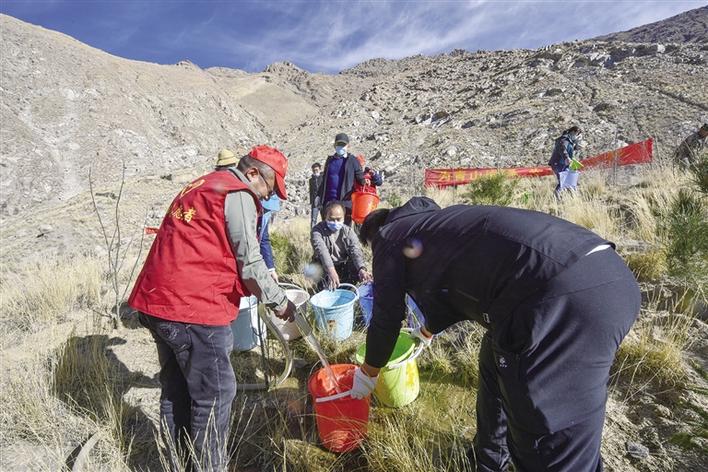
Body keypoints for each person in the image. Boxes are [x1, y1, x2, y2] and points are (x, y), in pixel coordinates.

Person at [353, 197, 640, 472]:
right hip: (608, 272)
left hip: (562, 303)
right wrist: (428, 330)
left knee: (546, 444)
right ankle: (487, 461)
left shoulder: (388, 238)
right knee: (494, 361)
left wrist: (369, 372)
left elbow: (387, 316)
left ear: (374, 235)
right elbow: (451, 287)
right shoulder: (436, 224)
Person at [129, 146, 296, 471]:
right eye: (269, 188)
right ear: (252, 174)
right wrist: (280, 301)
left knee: (177, 388)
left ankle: (180, 462)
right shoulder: (238, 193)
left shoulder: (204, 184)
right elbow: (250, 262)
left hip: (158, 301)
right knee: (216, 393)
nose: (267, 197)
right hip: (193, 309)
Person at [311, 201, 372, 290]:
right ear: (325, 217)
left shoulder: (348, 231)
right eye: (331, 219)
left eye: (338, 219)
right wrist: (331, 271)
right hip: (324, 265)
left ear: (344, 217)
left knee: (351, 280)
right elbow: (322, 252)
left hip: (343, 264)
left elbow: (355, 250)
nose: (335, 222)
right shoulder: (317, 231)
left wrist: (361, 269)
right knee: (324, 287)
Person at [317, 133, 366, 226]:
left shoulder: (352, 160)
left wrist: (364, 181)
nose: (341, 147)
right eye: (339, 144)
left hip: (345, 203)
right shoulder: (329, 160)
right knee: (327, 229)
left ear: (348, 146)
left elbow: (359, 176)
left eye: (343, 144)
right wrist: (319, 195)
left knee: (344, 230)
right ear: (334, 146)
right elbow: (324, 180)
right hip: (328, 202)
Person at [548, 126, 582, 197]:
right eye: (577, 134)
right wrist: (566, 157)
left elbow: (569, 150)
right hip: (558, 163)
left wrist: (576, 147)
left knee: (568, 180)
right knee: (564, 181)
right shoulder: (564, 139)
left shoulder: (570, 141)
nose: (577, 136)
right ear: (573, 132)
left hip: (563, 164)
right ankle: (556, 197)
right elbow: (562, 149)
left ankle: (566, 196)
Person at [260, 194, 281, 283]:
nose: (267, 212)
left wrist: (271, 269)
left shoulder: (266, 216)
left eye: (269, 210)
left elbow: (264, 240)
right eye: (265, 209)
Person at [309, 162, 323, 228]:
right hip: (315, 203)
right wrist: (311, 201)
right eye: (314, 170)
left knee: (325, 219)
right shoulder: (311, 180)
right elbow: (311, 191)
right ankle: (312, 232)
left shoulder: (323, 178)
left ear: (320, 169)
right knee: (313, 219)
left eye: (316, 170)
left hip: (323, 202)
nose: (315, 171)